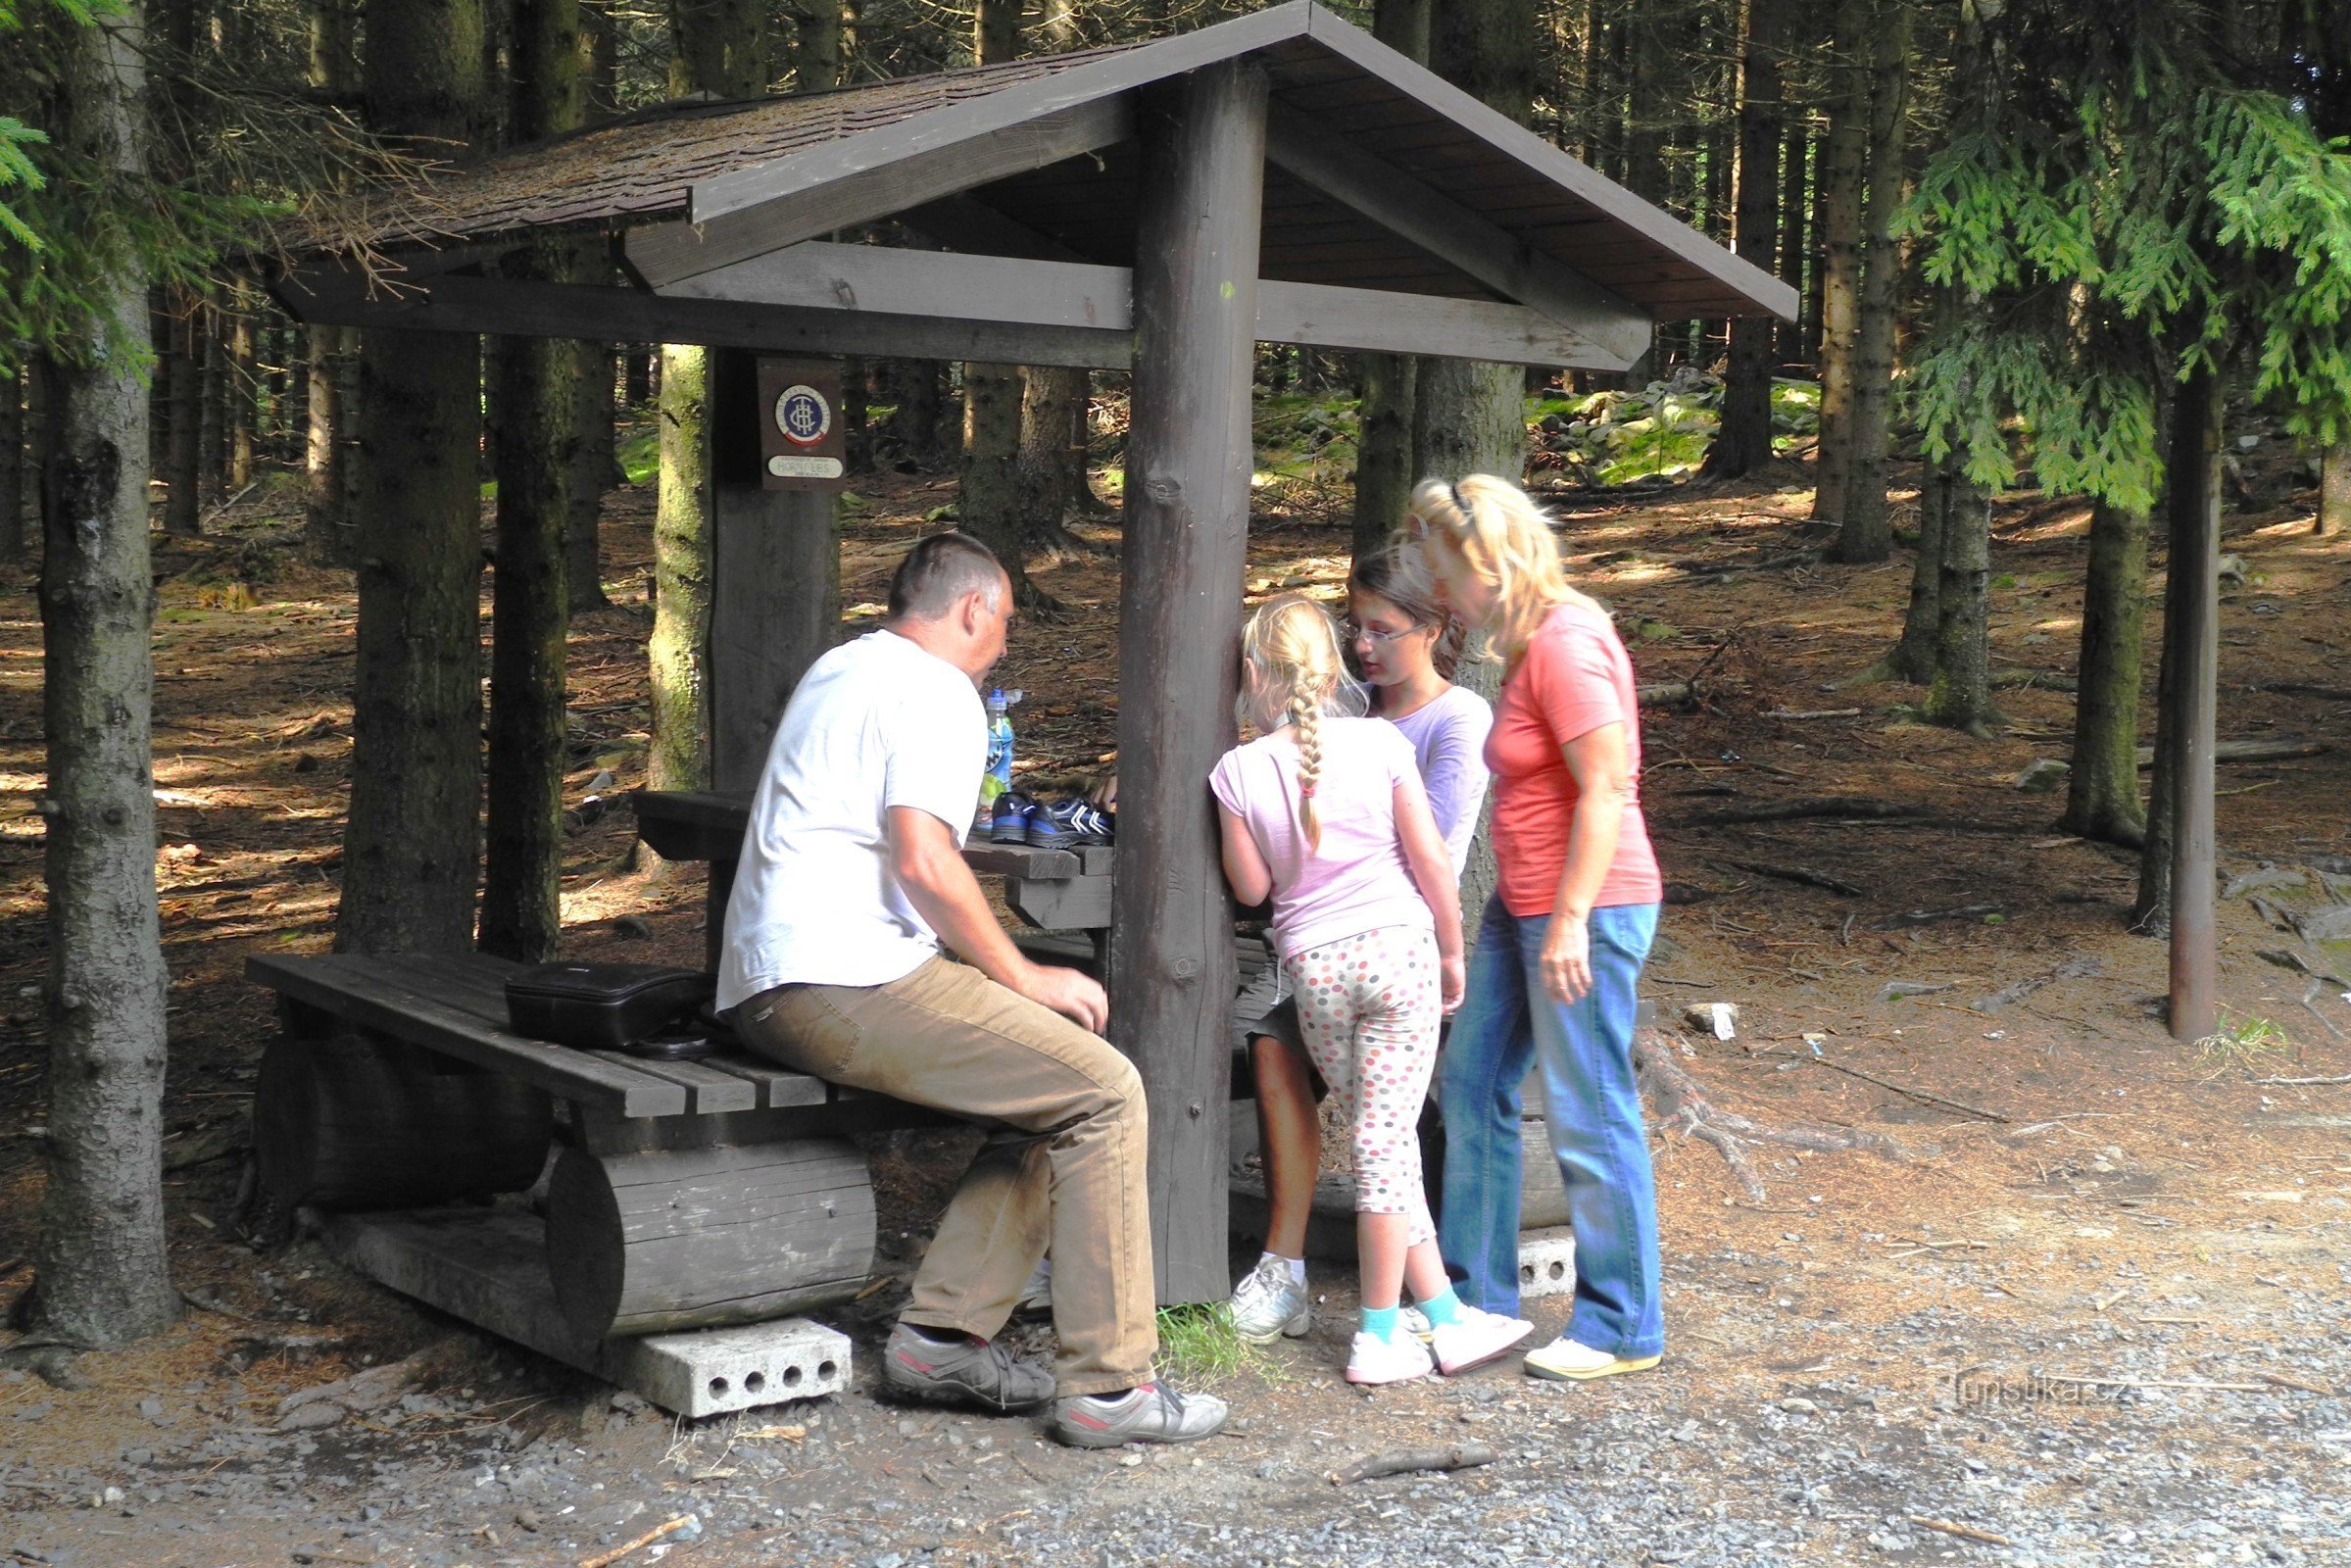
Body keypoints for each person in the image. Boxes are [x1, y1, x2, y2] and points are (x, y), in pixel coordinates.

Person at [720, 531, 1228, 1447]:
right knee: (1106, 1091)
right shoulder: (937, 689)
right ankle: (1110, 1388)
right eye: (1003, 621)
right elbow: (926, 859)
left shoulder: (842, 667)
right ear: (971, 609)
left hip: (773, 979)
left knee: (1052, 1087)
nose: (1003, 641)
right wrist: (1023, 971)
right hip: (844, 977)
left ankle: (941, 1341)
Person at [1207, 595, 1529, 1385]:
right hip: (1397, 955)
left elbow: (1249, 888)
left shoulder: (1237, 770)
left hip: (1315, 971)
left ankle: (1447, 1319)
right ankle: (1380, 1334)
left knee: (1381, 1144)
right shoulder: (1381, 742)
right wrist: (1453, 956)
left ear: (1254, 674)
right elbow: (1428, 862)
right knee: (1386, 1152)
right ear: (1333, 666)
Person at [1405, 474, 1667, 1383]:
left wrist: (1565, 922)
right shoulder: (1529, 648)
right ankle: (1477, 1301)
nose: (1440, 597)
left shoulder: (1564, 643)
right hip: (1519, 906)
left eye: (1446, 576)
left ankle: (1621, 1325)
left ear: (1490, 564)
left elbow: (1607, 788)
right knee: (1471, 1082)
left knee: (1591, 1112)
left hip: (1581, 912)